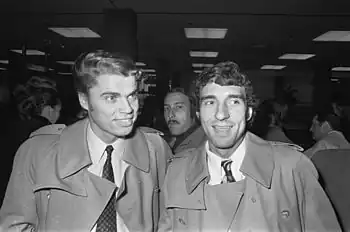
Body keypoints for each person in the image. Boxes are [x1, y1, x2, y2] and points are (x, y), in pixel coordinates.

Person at [158, 61, 340, 231]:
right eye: (210, 102)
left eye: (234, 101)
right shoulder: (177, 172)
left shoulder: (291, 168)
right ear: (198, 113)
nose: (221, 114)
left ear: (248, 112)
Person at [0, 50, 171, 232]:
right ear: (84, 100)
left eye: (132, 95)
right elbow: (15, 226)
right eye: (111, 98)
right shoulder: (38, 153)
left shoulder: (155, 150)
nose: (128, 109)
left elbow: (169, 221)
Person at [163, 87, 206, 154]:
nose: (170, 115)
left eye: (179, 107)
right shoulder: (169, 142)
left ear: (193, 111)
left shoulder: (201, 148)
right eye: (166, 108)